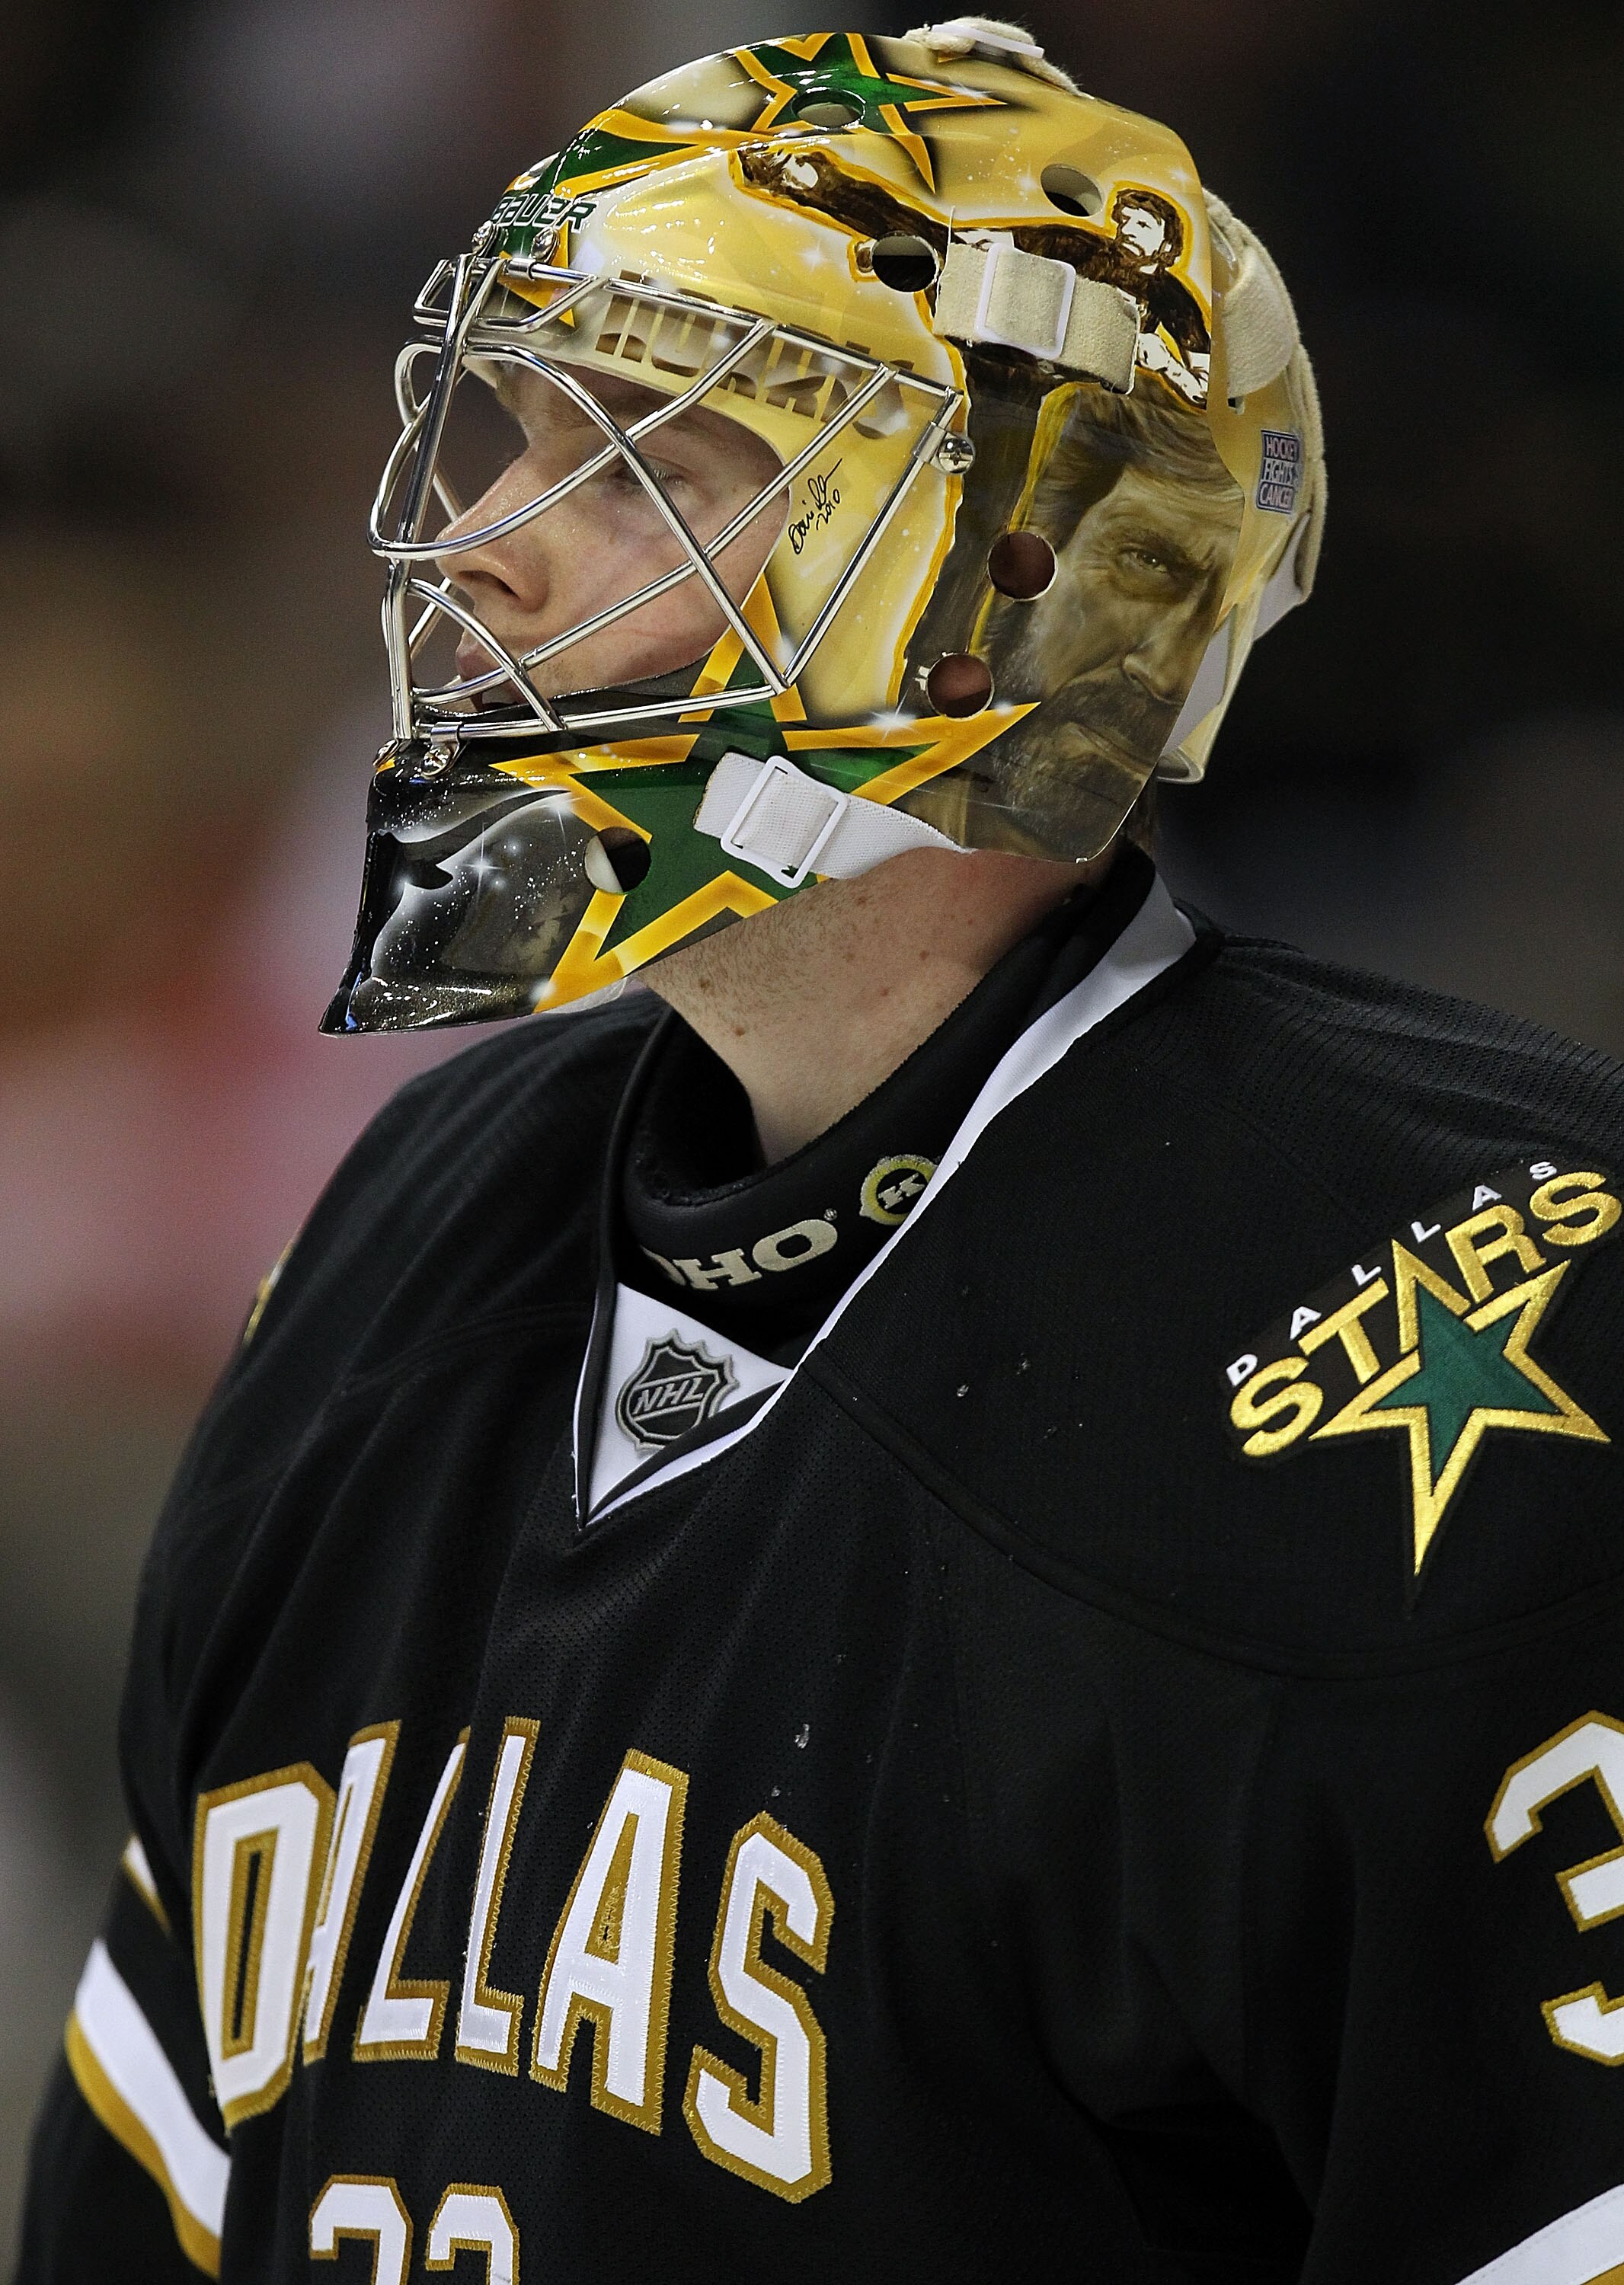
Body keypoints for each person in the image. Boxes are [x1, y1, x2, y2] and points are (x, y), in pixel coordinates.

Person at [19, 21, 1624, 2285]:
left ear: (1032, 572)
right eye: (500, 430)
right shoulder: (408, 1234)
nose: (474, 545)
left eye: (645, 452)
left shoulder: (1444, 1315)